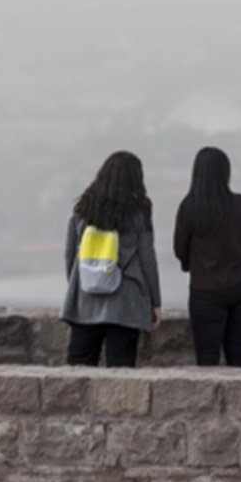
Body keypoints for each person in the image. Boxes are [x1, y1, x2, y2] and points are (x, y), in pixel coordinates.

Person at [62, 151, 162, 367]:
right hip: (125, 303)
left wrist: (78, 287)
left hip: (86, 302)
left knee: (78, 371)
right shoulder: (139, 212)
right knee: (121, 374)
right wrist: (155, 302)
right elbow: (147, 259)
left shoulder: (83, 209)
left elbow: (71, 255)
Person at [173, 146, 241, 367]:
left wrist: (193, 265)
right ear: (226, 172)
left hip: (205, 289)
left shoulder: (189, 207)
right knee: (238, 353)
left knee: (207, 358)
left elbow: (179, 249)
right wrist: (240, 260)